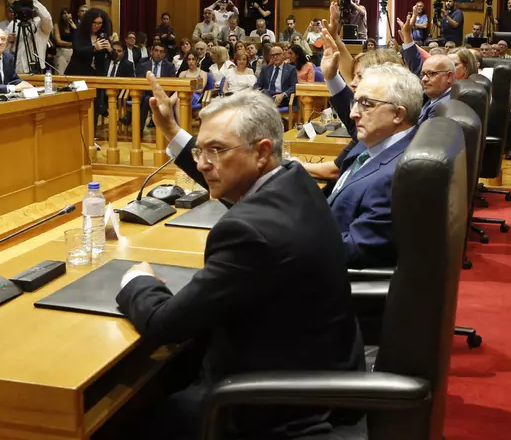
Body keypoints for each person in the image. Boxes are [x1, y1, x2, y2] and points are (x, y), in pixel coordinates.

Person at [118, 81, 362, 439]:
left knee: (118, 421)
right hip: (319, 367)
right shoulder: (294, 181)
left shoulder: (249, 233)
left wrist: (137, 280)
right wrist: (171, 130)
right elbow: (237, 187)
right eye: (200, 150)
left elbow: (165, 325)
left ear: (262, 152)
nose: (203, 164)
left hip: (269, 406)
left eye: (216, 150)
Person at [324, 63, 422, 268]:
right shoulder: (375, 140)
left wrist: (293, 236)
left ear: (398, 114)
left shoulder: (396, 177)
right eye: (355, 102)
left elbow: (353, 249)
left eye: (366, 104)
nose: (353, 114)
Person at [5, 0, 53, 75]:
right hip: (18, 68)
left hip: (36, 69)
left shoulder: (40, 23)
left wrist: (34, 1)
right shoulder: (14, 24)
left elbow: (47, 18)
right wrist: (8, 40)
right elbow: (1, 42)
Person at [65, 8, 112, 77]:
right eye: (94, 23)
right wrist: (94, 48)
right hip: (78, 72)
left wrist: (110, 50)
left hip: (97, 74)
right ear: (88, 22)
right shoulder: (78, 33)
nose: (97, 26)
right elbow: (77, 50)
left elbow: (114, 57)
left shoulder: (103, 35)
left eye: (100, 23)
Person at [254, 43, 297, 109]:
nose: (275, 57)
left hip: (282, 98)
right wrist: (258, 92)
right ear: (270, 57)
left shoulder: (291, 69)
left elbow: (294, 86)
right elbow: (258, 85)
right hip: (267, 95)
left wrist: (283, 95)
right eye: (273, 55)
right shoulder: (265, 69)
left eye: (277, 54)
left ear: (283, 55)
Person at [52, 8, 76, 74]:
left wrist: (75, 28)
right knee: (61, 73)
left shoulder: (74, 25)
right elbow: (58, 41)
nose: (66, 15)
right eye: (64, 13)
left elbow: (80, 39)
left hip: (73, 53)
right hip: (62, 52)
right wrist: (72, 44)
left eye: (68, 13)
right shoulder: (57, 25)